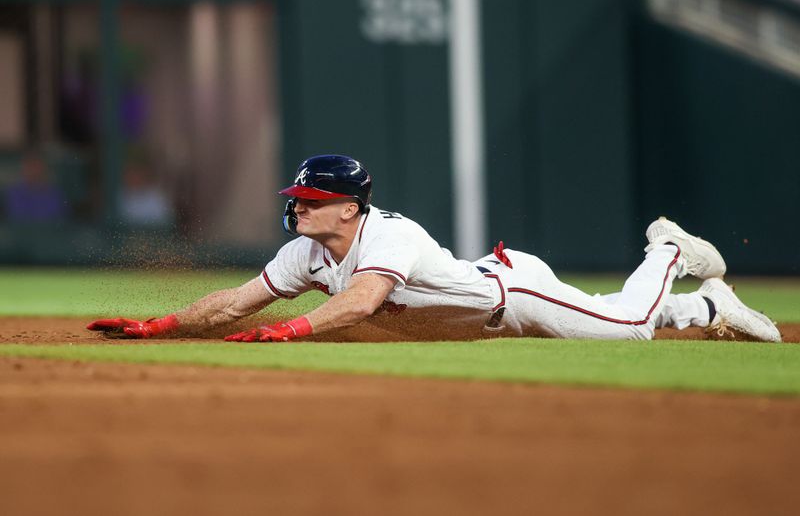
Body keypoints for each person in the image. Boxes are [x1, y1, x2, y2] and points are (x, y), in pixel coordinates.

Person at [87, 154, 781, 343]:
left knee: (624, 330)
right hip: (482, 296)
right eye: (294, 198)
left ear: (349, 207)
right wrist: (160, 324)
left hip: (511, 293)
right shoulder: (307, 252)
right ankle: (698, 311)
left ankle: (667, 251)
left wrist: (290, 329)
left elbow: (364, 300)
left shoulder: (392, 233)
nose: (295, 206)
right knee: (608, 317)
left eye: (309, 199)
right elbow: (233, 303)